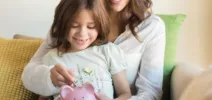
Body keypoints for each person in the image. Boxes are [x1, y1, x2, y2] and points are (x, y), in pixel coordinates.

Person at [22, 0, 166, 99]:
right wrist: (50, 78)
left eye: (91, 26)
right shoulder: (72, 19)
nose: (82, 33)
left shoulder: (152, 27)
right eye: (76, 26)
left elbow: (150, 92)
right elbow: (30, 74)